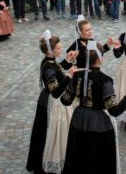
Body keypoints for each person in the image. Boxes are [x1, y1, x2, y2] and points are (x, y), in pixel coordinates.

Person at [60, 41, 126, 173]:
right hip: (98, 124)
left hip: (78, 119)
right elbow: (114, 110)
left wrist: (68, 77)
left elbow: (65, 101)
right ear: (100, 59)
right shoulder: (105, 80)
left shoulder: (77, 76)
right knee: (98, 161)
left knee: (80, 157)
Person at [26, 30, 78, 174]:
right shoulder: (48, 68)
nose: (62, 49)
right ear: (51, 50)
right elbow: (55, 91)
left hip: (49, 100)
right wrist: (69, 76)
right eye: (59, 48)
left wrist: (67, 60)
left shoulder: (50, 61)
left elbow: (57, 70)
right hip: (50, 104)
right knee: (48, 133)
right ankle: (48, 159)